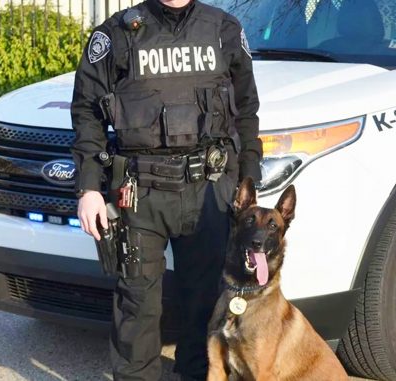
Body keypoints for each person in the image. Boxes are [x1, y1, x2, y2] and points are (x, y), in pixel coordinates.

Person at [69, 0, 262, 378]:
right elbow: (87, 111)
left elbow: (247, 109)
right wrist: (89, 187)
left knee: (205, 303)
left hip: (208, 189)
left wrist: (247, 182)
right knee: (137, 307)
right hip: (140, 193)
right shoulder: (117, 33)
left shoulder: (223, 29)